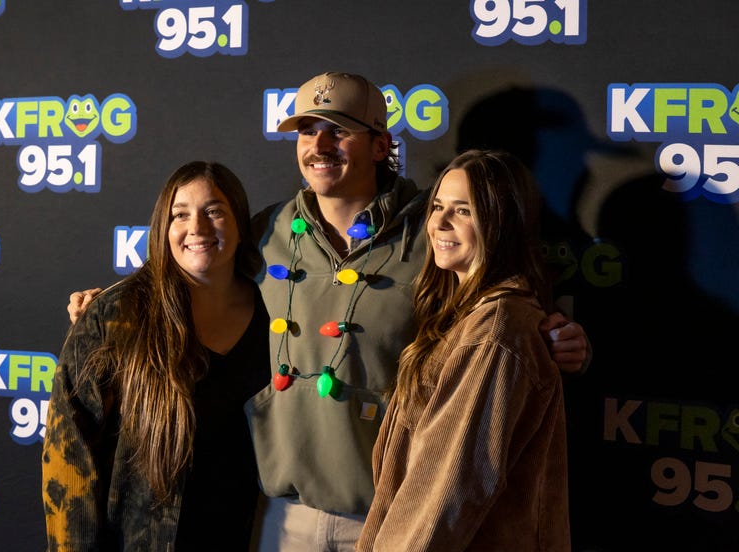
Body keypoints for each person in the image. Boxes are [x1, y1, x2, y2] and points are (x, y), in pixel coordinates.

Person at [67, 72, 589, 551]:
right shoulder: (265, 230)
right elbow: (189, 259)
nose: (318, 147)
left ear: (381, 144)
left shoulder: (431, 231)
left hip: (390, 521)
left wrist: (560, 338)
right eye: (306, 131)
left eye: (338, 131)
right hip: (279, 517)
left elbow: (495, 307)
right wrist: (114, 308)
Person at [42, 161, 270, 551]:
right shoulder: (114, 315)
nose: (196, 227)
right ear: (163, 228)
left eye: (214, 211)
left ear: (240, 223)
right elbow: (71, 456)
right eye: (180, 215)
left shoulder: (277, 313)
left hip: (252, 535)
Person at [355, 149, 570, 551]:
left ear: (500, 223)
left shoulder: (495, 330)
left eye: (464, 211)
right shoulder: (468, 315)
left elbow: (450, 486)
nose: (439, 222)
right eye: (437, 206)